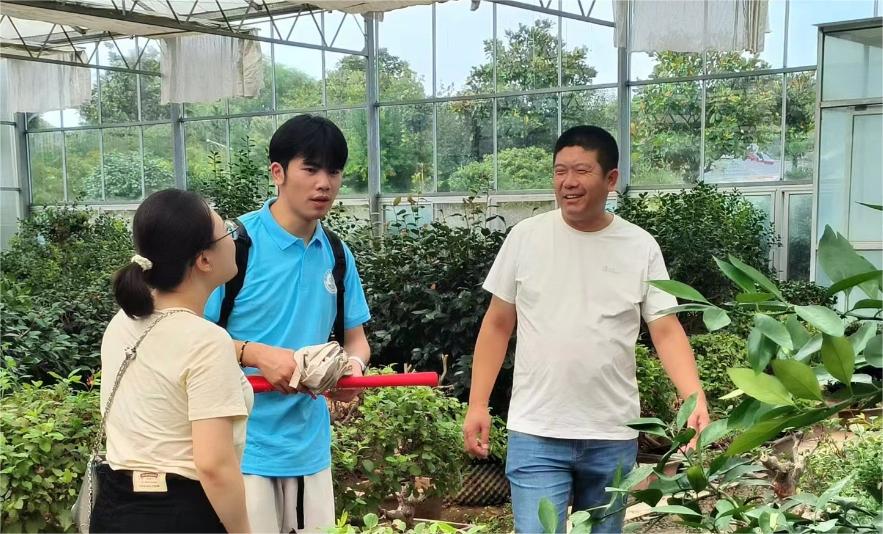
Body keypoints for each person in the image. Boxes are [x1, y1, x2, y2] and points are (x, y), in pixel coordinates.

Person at [462, 125, 710, 533]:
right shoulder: (526, 238)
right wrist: (477, 404)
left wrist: (693, 398)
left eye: (581, 171)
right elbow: (497, 324)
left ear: (611, 179)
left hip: (612, 433)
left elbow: (666, 329)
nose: (568, 182)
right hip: (536, 431)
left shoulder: (640, 246)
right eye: (560, 171)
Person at [205, 114, 372, 533]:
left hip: (309, 449)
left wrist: (353, 370)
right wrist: (256, 354)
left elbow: (356, 340)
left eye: (334, 172)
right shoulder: (233, 246)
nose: (324, 184)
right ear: (277, 173)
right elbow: (187, 338)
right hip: (240, 446)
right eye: (311, 169)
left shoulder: (336, 253)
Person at [92, 188, 253, 533]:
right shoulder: (206, 341)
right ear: (204, 260)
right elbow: (213, 465)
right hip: (181, 514)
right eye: (227, 231)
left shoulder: (123, 321)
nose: (234, 238)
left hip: (114, 509)